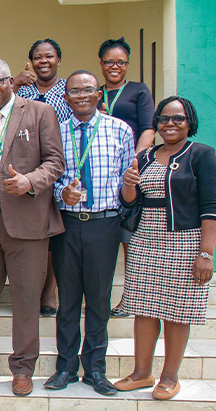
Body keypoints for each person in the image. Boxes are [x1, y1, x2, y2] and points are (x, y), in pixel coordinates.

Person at [0, 58, 65, 396]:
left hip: (26, 222)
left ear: (10, 81)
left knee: (24, 299)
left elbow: (55, 162)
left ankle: (22, 368)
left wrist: (30, 181)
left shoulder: (38, 113)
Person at [114, 96, 215, 400]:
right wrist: (129, 182)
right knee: (144, 309)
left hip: (185, 241)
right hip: (145, 239)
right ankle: (142, 373)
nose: (170, 124)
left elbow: (210, 208)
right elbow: (129, 201)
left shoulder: (201, 155)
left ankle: (170, 377)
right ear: (155, 123)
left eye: (178, 119)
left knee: (177, 312)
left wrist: (206, 254)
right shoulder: (145, 156)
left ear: (189, 122)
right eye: (164, 119)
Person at [44, 70, 134, 395]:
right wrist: (59, 194)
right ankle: (65, 367)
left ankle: (95, 369)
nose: (81, 95)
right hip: (66, 223)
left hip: (104, 224)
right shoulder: (55, 130)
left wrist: (129, 190)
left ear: (99, 95)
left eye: (88, 90)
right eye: (74, 91)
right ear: (65, 98)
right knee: (67, 300)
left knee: (98, 300)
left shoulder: (120, 130)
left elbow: (128, 179)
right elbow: (49, 175)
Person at [97, 37, 157, 318]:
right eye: (109, 61)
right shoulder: (94, 93)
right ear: (101, 64)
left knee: (129, 238)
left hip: (131, 172)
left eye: (121, 62)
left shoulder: (138, 91)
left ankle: (129, 299)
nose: (115, 67)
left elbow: (148, 129)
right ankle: (100, 298)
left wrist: (131, 160)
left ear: (127, 64)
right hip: (101, 176)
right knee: (107, 238)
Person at [15, 38, 73, 317]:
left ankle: (49, 290)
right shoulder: (23, 90)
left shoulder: (68, 90)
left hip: (58, 163)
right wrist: (15, 83)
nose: (43, 62)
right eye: (38, 57)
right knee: (35, 229)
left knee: (53, 230)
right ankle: (32, 289)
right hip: (26, 166)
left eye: (49, 56)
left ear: (58, 59)